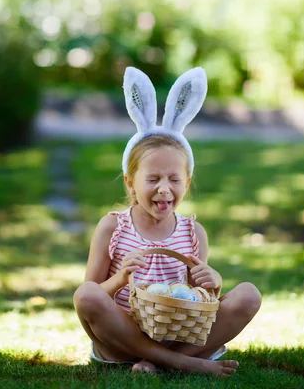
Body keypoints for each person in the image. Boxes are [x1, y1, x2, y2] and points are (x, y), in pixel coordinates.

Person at [74, 66, 262, 376]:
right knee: (85, 295)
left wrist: (212, 287)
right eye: (153, 179)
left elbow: (193, 302)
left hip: (178, 337)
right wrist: (120, 279)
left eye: (174, 179)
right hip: (122, 339)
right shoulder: (113, 227)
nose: (165, 188)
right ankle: (182, 364)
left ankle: (160, 361)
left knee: (248, 295)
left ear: (187, 184)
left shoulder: (193, 233)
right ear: (130, 183)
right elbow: (89, 297)